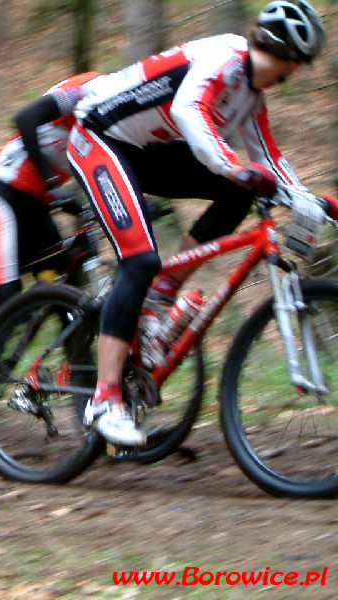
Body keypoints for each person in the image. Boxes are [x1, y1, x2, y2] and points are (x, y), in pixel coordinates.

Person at [66, 0, 338, 446]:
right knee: (139, 260)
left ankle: (162, 291)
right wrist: (232, 166)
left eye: (291, 71)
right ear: (270, 50)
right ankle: (105, 399)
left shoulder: (253, 96)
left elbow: (270, 161)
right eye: (285, 67)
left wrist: (313, 202)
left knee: (239, 193)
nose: (284, 77)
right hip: (100, 137)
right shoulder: (222, 57)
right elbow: (190, 111)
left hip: (146, 151)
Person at [0, 72, 98, 315]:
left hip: (38, 203)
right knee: (7, 297)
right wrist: (49, 181)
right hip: (4, 192)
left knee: (65, 279)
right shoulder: (89, 89)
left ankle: (77, 351)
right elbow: (24, 118)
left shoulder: (116, 126)